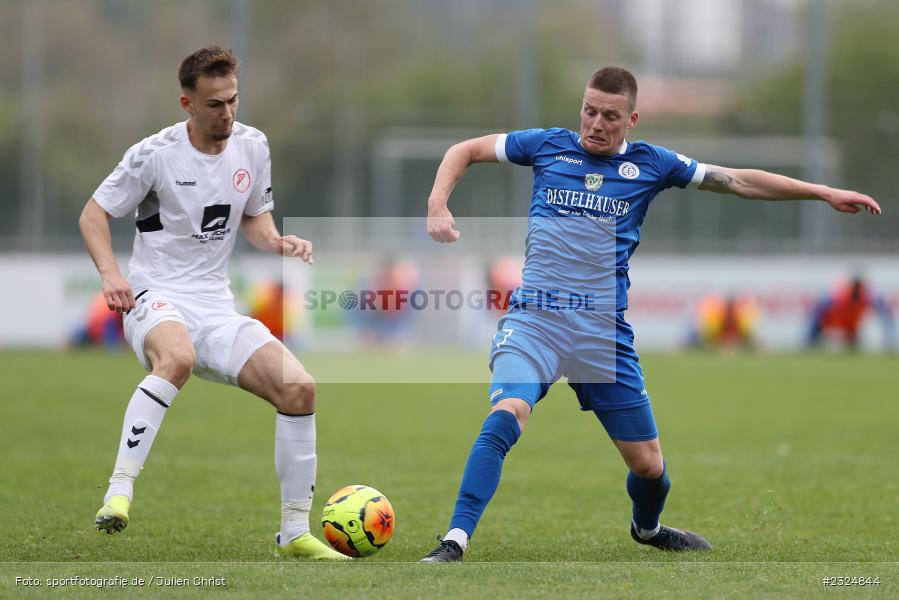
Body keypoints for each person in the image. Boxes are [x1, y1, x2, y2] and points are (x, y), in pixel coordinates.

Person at [420, 67, 881, 562]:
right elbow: (464, 150)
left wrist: (823, 192)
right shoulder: (546, 146)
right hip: (536, 320)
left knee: (649, 467)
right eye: (589, 111)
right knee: (507, 413)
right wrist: (437, 203)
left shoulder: (654, 165)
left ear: (632, 119)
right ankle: (455, 540)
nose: (595, 124)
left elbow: (740, 181)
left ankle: (647, 528)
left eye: (609, 116)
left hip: (601, 333)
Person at [79, 46, 347, 560]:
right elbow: (93, 215)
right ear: (187, 104)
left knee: (300, 389)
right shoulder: (152, 154)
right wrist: (112, 276)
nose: (227, 113)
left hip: (215, 306)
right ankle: (119, 490)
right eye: (214, 105)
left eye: (233, 100)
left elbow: (254, 218)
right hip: (155, 296)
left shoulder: (253, 146)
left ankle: (294, 533)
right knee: (175, 358)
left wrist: (278, 242)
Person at [807, 276, 896, 351]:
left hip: (851, 327)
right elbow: (821, 308)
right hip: (832, 322)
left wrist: (888, 337)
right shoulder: (840, 296)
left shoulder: (865, 298)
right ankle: (809, 344)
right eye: (855, 288)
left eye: (859, 289)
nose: (856, 291)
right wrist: (821, 321)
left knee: (852, 347)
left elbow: (882, 307)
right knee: (815, 329)